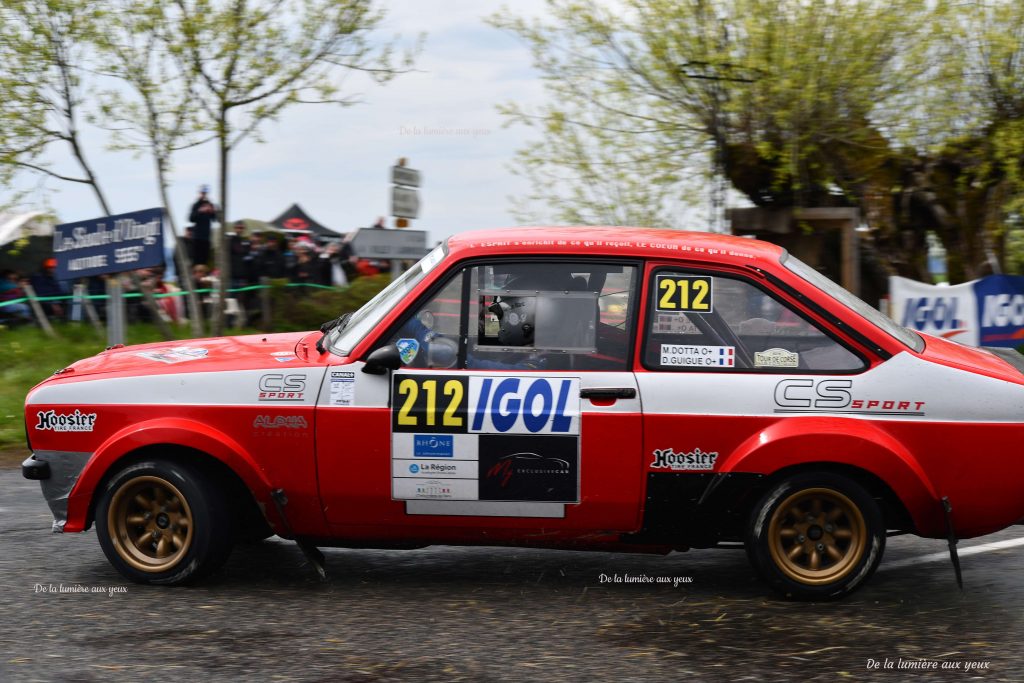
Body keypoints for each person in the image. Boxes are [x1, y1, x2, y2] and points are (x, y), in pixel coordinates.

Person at [188, 185, 217, 266]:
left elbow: (214, 219)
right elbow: (191, 219)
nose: (204, 194)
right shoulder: (196, 205)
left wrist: (212, 211)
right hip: (197, 237)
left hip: (206, 238)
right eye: (202, 193)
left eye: (205, 193)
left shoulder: (210, 204)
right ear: (199, 193)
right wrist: (200, 211)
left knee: (204, 261)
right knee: (196, 260)